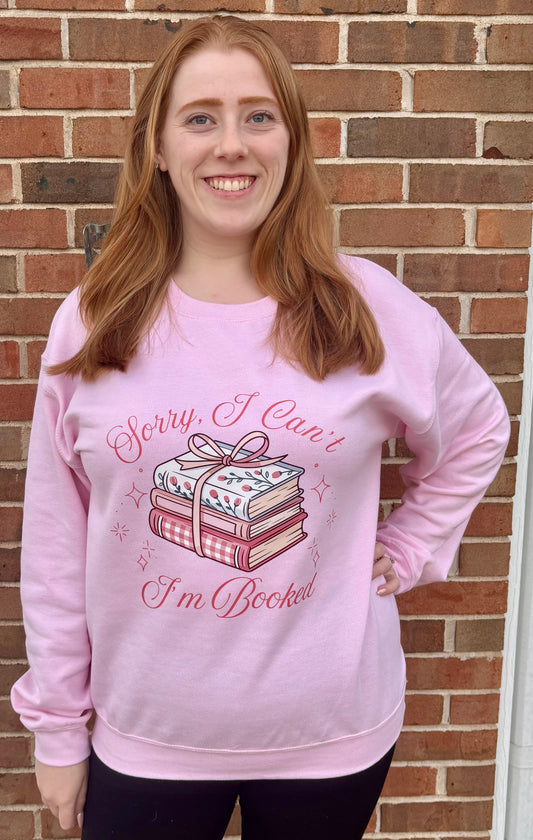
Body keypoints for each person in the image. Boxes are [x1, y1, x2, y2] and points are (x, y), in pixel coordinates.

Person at [11, 14, 510, 840]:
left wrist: (413, 542)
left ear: (292, 142)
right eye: (200, 117)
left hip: (331, 739)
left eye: (259, 115)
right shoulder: (96, 321)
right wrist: (59, 728)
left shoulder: (367, 307)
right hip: (146, 742)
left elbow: (475, 427)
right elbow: (56, 542)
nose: (231, 144)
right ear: (160, 148)